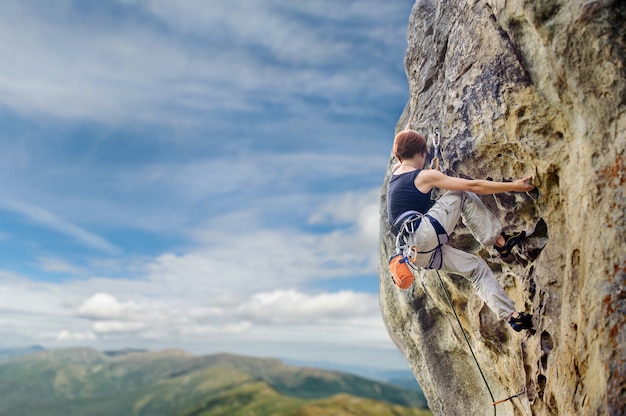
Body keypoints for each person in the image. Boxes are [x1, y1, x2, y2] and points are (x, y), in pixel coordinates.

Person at [387, 130, 534, 332]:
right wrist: (514, 186)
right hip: (422, 235)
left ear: (398, 156)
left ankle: (513, 316)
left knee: (476, 268)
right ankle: (501, 242)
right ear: (422, 153)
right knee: (461, 192)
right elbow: (473, 185)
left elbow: (403, 151)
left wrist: (408, 130)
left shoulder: (395, 174)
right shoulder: (424, 176)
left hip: (414, 255)